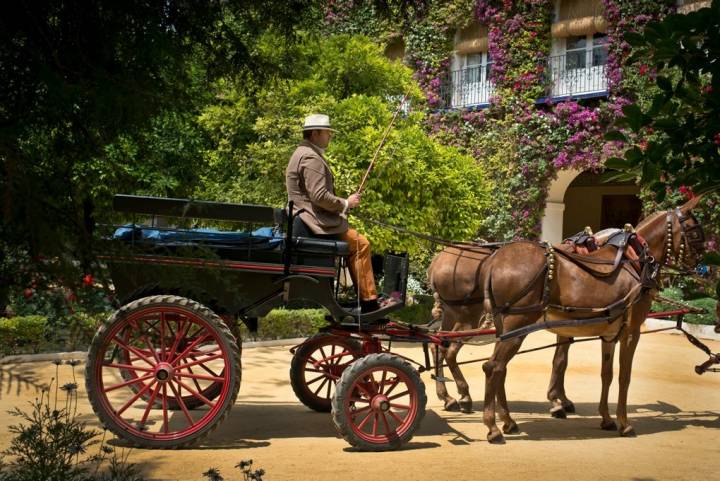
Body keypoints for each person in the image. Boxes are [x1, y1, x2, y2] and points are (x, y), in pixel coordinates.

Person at [286, 113, 384, 313]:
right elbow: (320, 196)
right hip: (313, 224)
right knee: (360, 243)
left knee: (357, 242)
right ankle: (369, 302)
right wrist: (346, 203)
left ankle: (362, 298)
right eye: (327, 133)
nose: (330, 137)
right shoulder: (311, 157)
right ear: (315, 133)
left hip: (307, 220)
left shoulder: (301, 152)